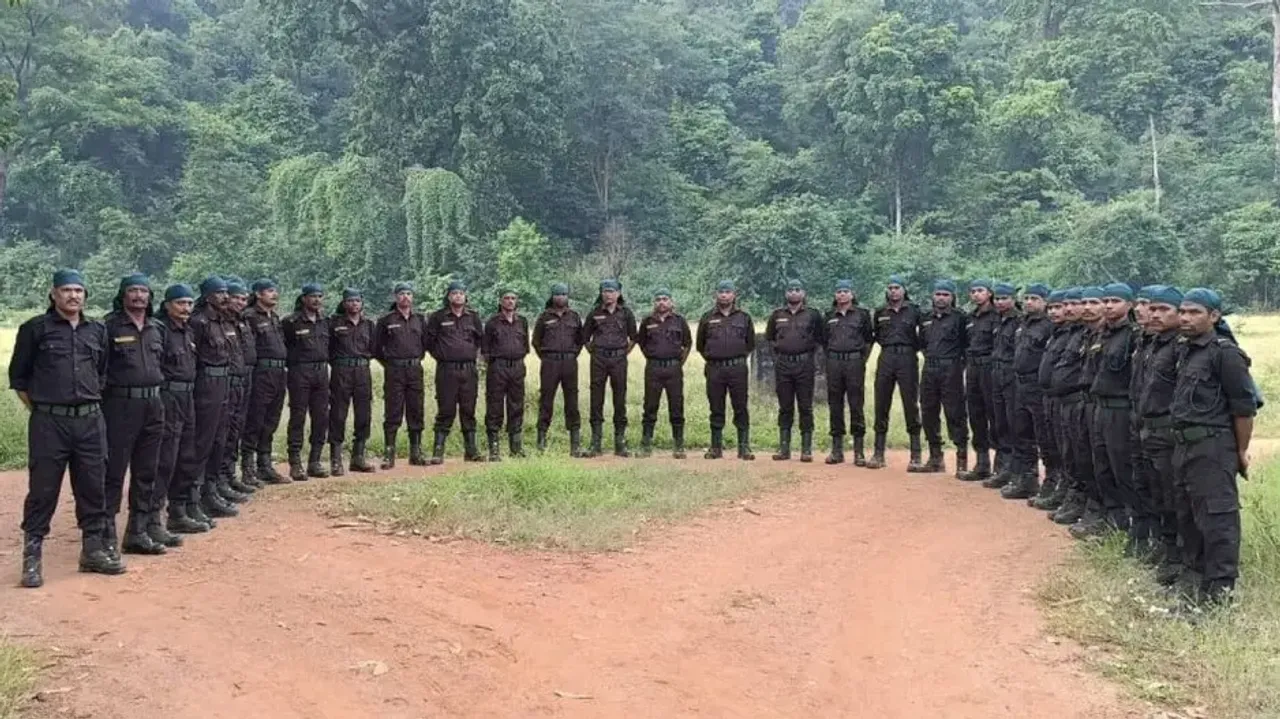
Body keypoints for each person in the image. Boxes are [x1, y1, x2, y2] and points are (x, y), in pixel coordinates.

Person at [12, 269, 123, 587]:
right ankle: (32, 559)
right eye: (66, 290)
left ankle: (92, 551)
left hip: (90, 420)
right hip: (50, 423)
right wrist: (47, 409)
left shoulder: (97, 330)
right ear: (53, 294)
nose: (73, 296)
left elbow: (102, 374)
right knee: (43, 490)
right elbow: (19, 379)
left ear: (85, 295)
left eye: (78, 290)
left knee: (93, 486)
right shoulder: (35, 329)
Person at [1171, 288, 1256, 606]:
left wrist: (1240, 451)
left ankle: (1220, 593)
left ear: (1214, 316)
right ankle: (1194, 584)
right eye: (1183, 312)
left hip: (1212, 447)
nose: (1185, 318)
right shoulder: (1188, 350)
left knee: (1217, 517)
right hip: (1185, 447)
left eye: (1194, 312)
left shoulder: (1225, 353)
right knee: (1188, 515)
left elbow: (1243, 409)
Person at [102, 273, 168, 556]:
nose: (139, 296)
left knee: (146, 470)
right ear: (123, 295)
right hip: (120, 406)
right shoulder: (108, 327)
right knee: (113, 472)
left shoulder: (157, 328)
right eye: (133, 291)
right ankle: (104, 534)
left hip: (153, 405)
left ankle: (137, 532)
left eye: (144, 291)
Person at [1086, 282, 1153, 549]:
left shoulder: (1134, 335)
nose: (1108, 305)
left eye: (1115, 300)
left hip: (1121, 410)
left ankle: (1139, 529)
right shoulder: (1103, 333)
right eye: (1106, 300)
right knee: (1103, 468)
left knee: (1125, 470)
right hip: (1100, 408)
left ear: (1129, 304)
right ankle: (1114, 521)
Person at [1135, 286, 1188, 587]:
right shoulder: (1152, 343)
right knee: (1156, 491)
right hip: (1148, 427)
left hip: (1170, 433)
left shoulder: (1182, 346)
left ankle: (1182, 557)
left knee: (1175, 495)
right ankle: (1168, 549)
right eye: (1150, 308)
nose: (1153, 314)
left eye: (1162, 309)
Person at [155, 284, 207, 536]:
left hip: (188, 396)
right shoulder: (160, 330)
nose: (186, 308)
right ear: (167, 305)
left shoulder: (187, 330)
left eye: (189, 303)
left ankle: (179, 511)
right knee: (166, 458)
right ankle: (152, 519)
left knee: (187, 454)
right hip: (168, 397)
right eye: (180, 303)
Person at [187, 276, 239, 520]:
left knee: (220, 438)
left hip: (224, 381)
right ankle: (192, 498)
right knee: (203, 442)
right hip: (205, 384)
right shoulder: (198, 322)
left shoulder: (222, 321)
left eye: (226, 292)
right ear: (208, 296)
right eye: (220, 293)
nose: (225, 297)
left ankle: (212, 490)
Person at [1002, 284, 1054, 500]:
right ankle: (1026, 479)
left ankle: (1052, 482)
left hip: (1037, 385)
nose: (1029, 302)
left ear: (1045, 301)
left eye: (1035, 298)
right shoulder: (1022, 324)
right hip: (1019, 384)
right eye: (1027, 298)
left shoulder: (1048, 325)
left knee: (1044, 436)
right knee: (1021, 432)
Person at [764, 279, 825, 462]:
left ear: (803, 293)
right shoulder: (777, 315)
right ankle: (784, 449)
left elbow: (820, 339)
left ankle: (806, 449)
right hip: (783, 366)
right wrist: (777, 359)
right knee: (785, 407)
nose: (794, 293)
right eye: (790, 290)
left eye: (797, 290)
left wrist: (812, 360)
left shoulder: (813, 315)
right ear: (786, 293)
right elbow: (770, 339)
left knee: (805, 406)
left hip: (804, 365)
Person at [426, 280, 485, 464]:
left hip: (468, 371)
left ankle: (471, 450)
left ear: (466, 296)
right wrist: (444, 356)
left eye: (461, 293)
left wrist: (468, 355)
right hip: (447, 370)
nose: (458, 296)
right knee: (446, 409)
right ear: (448, 296)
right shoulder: (438, 317)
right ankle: (438, 451)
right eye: (454, 293)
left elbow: (479, 341)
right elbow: (429, 342)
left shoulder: (473, 317)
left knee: (468, 410)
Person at [696, 281, 755, 460]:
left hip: (737, 368)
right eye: (721, 292)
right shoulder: (707, 318)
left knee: (740, 406)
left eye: (727, 292)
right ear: (716, 294)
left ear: (734, 295)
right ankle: (715, 447)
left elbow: (750, 344)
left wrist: (736, 358)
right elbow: (700, 345)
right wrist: (715, 359)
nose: (724, 295)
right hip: (715, 369)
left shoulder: (744, 318)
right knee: (716, 407)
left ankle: (744, 447)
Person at [869, 275, 923, 470]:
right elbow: (875, 336)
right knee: (881, 403)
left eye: (897, 287)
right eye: (890, 287)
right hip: (886, 357)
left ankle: (916, 455)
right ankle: (878, 453)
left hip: (907, 358)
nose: (893, 291)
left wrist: (911, 350)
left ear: (903, 290)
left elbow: (922, 336)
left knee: (911, 403)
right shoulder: (880, 312)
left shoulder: (914, 311)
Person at [374, 282, 429, 467]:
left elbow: (425, 345)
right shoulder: (386, 320)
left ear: (412, 297)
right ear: (395, 297)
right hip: (394, 370)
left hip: (414, 369)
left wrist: (414, 359)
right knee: (393, 411)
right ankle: (389, 454)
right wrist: (389, 363)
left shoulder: (420, 319)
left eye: (408, 293)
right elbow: (376, 347)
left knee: (416, 410)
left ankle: (416, 452)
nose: (405, 297)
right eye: (401, 294)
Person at [582, 279, 638, 457]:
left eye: (612, 291)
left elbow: (634, 338)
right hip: (598, 360)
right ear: (601, 293)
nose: (608, 294)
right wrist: (596, 352)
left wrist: (622, 353)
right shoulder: (594, 314)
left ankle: (620, 443)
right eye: (605, 291)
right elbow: (585, 338)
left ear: (619, 293)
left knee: (620, 399)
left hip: (619, 360)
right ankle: (595, 443)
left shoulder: (626, 313)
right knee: (596, 399)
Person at [241, 278, 289, 484]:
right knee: (255, 420)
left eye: (275, 290)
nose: (274, 294)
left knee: (271, 420)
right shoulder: (249, 316)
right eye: (269, 291)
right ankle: (248, 468)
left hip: (279, 373)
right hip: (261, 373)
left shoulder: (275, 317)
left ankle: (265, 465)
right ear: (258, 294)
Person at [917, 279, 968, 475]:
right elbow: (922, 343)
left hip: (951, 369)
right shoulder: (925, 318)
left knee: (955, 413)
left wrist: (956, 365)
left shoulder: (959, 318)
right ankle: (935, 457)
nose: (941, 298)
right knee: (928, 411)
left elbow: (966, 344)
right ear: (933, 296)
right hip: (930, 368)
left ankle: (961, 458)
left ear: (952, 297)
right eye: (938, 294)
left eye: (945, 295)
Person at [282, 283, 332, 480]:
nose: (317, 300)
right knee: (298, 416)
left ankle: (315, 461)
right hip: (299, 372)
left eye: (320, 296)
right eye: (312, 296)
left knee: (321, 417)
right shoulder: (291, 322)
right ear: (303, 299)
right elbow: (283, 346)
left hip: (321, 372)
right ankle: (295, 463)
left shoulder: (325, 322)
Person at [636, 288, 692, 458]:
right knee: (650, 406)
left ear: (671, 302)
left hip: (674, 369)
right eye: (658, 299)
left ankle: (678, 445)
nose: (662, 302)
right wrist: (654, 358)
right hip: (653, 368)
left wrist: (677, 362)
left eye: (665, 299)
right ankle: (646, 445)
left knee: (676, 406)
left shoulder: (679, 321)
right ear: (654, 302)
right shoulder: (647, 321)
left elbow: (688, 344)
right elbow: (642, 343)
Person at [823, 280, 874, 465]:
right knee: (835, 404)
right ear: (835, 295)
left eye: (845, 291)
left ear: (852, 294)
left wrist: (861, 360)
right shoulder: (829, 315)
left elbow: (869, 340)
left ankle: (859, 452)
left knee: (856, 404)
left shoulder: (862, 315)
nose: (842, 294)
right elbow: (824, 341)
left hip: (854, 362)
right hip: (834, 362)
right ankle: (837, 450)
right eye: (839, 291)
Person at [1030, 291, 1072, 511]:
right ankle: (1055, 485)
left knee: (1066, 448)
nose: (1055, 312)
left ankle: (1065, 490)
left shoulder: (1073, 335)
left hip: (1064, 399)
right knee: (1049, 443)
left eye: (1059, 307)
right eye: (1052, 308)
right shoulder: (1056, 333)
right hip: (1046, 396)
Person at [532, 283, 585, 456]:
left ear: (567, 296)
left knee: (572, 401)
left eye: (563, 294)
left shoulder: (574, 317)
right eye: (557, 294)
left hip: (570, 363)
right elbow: (536, 342)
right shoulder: (544, 317)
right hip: (550, 363)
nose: (560, 297)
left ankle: (575, 445)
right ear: (552, 297)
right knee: (546, 400)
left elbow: (580, 341)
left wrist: (571, 355)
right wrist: (547, 357)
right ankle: (541, 442)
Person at [328, 288, 377, 475]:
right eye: (350, 300)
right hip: (341, 370)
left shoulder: (369, 325)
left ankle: (358, 457)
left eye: (357, 300)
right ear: (344, 303)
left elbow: (374, 348)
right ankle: (336, 459)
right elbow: (328, 349)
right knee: (338, 414)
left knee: (364, 414)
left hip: (362, 371)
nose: (354, 304)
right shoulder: (334, 323)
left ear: (361, 303)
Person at [219, 278, 258, 497]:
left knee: (237, 428)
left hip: (245, 378)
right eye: (235, 298)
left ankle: (229, 476)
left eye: (243, 299)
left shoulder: (242, 321)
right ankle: (220, 480)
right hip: (227, 381)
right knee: (224, 431)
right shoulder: (221, 322)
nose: (240, 302)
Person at [482, 289, 531, 461]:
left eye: (513, 298)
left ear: (517, 301)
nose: (510, 301)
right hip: (498, 368)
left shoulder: (522, 322)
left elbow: (526, 347)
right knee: (495, 406)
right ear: (500, 301)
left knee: (516, 405)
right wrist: (497, 364)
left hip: (517, 367)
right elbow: (485, 350)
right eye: (506, 298)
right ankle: (494, 449)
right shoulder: (492, 322)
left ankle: (515, 447)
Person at [959, 280, 999, 481]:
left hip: (990, 368)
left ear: (989, 293)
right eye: (973, 291)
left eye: (980, 291)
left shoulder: (997, 316)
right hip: (972, 367)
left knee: (996, 413)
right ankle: (982, 462)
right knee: (975, 413)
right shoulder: (969, 318)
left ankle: (1002, 465)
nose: (976, 295)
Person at [983, 283, 1021, 489]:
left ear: (1013, 299)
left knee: (1014, 421)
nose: (999, 302)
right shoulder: (997, 320)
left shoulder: (1019, 321)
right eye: (997, 299)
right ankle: (1004, 467)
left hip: (1010, 374)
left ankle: (1017, 470)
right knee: (1000, 421)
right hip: (995, 373)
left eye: (1004, 298)